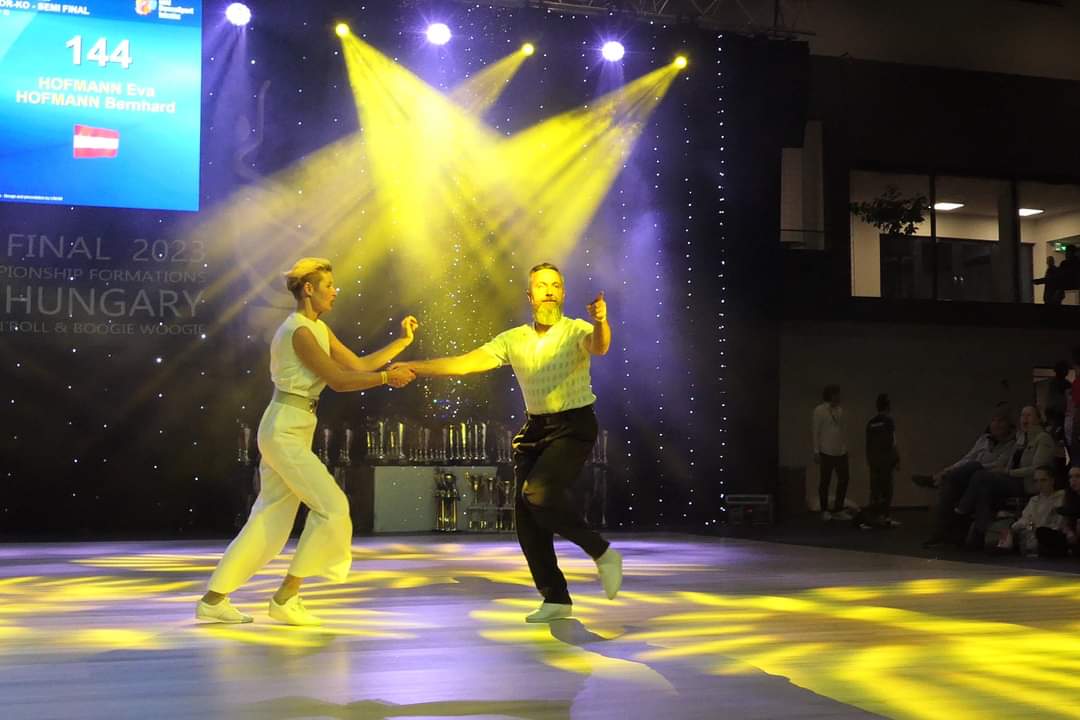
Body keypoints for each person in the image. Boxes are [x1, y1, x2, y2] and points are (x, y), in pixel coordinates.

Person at [390, 262, 621, 623]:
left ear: (563, 293)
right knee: (526, 519)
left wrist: (601, 321)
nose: (548, 290)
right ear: (530, 296)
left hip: (573, 425)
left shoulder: (577, 329)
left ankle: (601, 552)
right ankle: (556, 598)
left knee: (537, 494)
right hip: (534, 431)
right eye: (541, 285)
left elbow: (600, 346)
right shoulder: (513, 339)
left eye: (555, 285)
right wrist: (416, 367)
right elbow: (464, 364)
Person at [196, 258, 418, 625]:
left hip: (294, 426)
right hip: (284, 428)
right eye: (328, 285)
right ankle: (286, 597)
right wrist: (386, 379)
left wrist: (403, 341)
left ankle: (213, 600)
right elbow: (339, 381)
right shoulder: (298, 331)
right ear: (309, 289)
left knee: (270, 520)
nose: (334, 291)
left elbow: (358, 365)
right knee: (332, 507)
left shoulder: (318, 328)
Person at [918, 404, 1016, 548]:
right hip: (970, 477)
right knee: (952, 483)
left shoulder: (1013, 443)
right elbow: (967, 458)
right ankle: (942, 531)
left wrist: (977, 467)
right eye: (994, 420)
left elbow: (999, 466)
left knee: (973, 467)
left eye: (1001, 421)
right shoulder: (984, 439)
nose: (996, 424)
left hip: (990, 478)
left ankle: (939, 486)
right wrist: (946, 470)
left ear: (1009, 424)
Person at [960, 405, 1056, 542]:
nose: (1024, 418)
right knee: (983, 486)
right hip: (1011, 478)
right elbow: (1009, 461)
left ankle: (964, 508)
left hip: (1026, 482)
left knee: (981, 476)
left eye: (1029, 415)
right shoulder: (1021, 439)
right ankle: (982, 534)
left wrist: (1008, 472)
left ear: (1038, 419)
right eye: (1022, 415)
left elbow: (1037, 469)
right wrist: (999, 470)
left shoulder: (1043, 438)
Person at [997, 465, 1065, 556]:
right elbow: (1025, 519)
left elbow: (1059, 523)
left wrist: (1033, 526)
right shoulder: (1034, 500)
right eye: (1036, 481)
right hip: (1032, 532)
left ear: (1052, 481)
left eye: (1043, 480)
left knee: (1042, 533)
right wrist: (1027, 527)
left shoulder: (1061, 497)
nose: (1039, 484)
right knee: (1011, 528)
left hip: (1051, 534)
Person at [813, 385, 851, 521]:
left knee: (844, 479)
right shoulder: (819, 410)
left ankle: (838, 509)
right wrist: (816, 451)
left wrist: (845, 448)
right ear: (831, 395)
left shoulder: (840, 410)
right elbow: (815, 431)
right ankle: (824, 510)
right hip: (826, 451)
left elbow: (841, 431)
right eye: (837, 394)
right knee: (825, 482)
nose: (839, 397)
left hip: (840, 451)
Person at [864, 393, 901, 527]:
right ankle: (885, 518)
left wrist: (870, 460)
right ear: (888, 406)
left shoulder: (871, 423)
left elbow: (868, 444)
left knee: (875, 490)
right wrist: (897, 459)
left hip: (874, 461)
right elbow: (892, 442)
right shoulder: (888, 421)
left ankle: (873, 519)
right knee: (887, 490)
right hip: (886, 461)